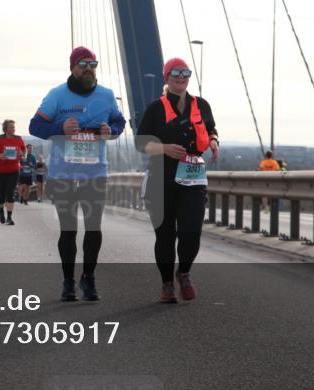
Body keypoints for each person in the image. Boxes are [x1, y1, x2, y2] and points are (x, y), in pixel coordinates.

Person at [29, 46, 126, 302]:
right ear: (72, 67)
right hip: (63, 175)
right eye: (83, 64)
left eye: (93, 64)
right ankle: (69, 281)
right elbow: (35, 125)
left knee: (94, 229)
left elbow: (120, 122)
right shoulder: (57, 95)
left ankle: (89, 278)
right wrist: (59, 126)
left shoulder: (106, 95)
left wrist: (111, 130)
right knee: (68, 231)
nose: (89, 69)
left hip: (95, 173)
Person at [136, 58, 219, 302]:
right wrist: (164, 148)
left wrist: (214, 141)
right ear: (166, 76)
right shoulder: (155, 108)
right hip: (161, 178)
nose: (181, 76)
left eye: (185, 72)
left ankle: (184, 272)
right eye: (175, 72)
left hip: (192, 177)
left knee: (191, 231)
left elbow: (212, 129)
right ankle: (167, 284)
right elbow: (142, 144)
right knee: (165, 236)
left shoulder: (202, 105)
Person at [0, 121, 26, 225]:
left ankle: (9, 217)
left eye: (14, 127)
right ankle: (1, 210)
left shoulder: (19, 139)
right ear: (5, 128)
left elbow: (23, 151)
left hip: (14, 170)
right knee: (2, 194)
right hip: (1, 171)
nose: (14, 129)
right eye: (11, 127)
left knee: (11, 193)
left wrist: (22, 156)